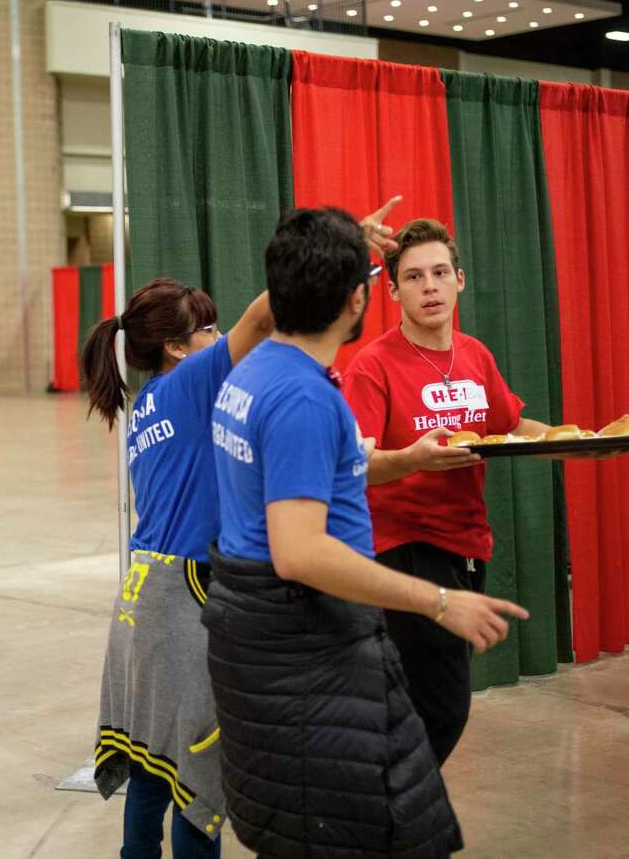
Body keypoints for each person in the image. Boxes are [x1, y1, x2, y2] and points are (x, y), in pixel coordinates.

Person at [203, 207, 529, 858]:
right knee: (350, 809)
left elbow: (270, 314)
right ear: (364, 299)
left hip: (258, 630)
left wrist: (405, 459)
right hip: (300, 630)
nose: (429, 286)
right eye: (409, 275)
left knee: (313, 803)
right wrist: (439, 600)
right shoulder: (305, 398)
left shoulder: (254, 369)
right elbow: (300, 552)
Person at [340, 217, 553, 766]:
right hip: (400, 549)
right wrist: (412, 460)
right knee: (442, 705)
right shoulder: (373, 365)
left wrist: (588, 443)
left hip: (465, 546)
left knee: (416, 702)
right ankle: (388, 817)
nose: (429, 286)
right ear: (391, 291)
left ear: (460, 280)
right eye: (413, 277)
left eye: (439, 273)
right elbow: (350, 467)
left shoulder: (476, 354)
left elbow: (509, 428)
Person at [82, 275, 274, 859]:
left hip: (144, 599)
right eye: (209, 328)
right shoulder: (190, 381)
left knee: (152, 759)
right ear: (176, 346)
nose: (219, 337)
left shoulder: (147, 404)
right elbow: (265, 318)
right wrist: (335, 248)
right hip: (182, 599)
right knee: (198, 770)